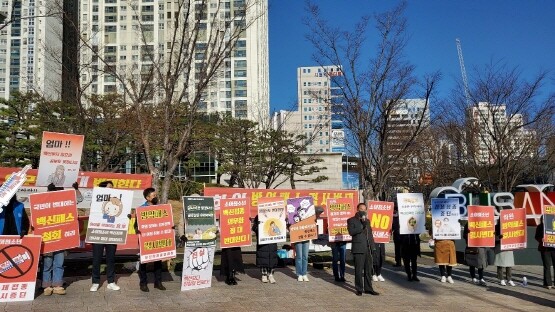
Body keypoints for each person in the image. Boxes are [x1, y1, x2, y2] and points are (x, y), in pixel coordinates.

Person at [90, 180, 120, 292]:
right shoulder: (96, 201)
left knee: (111, 259)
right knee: (97, 259)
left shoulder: (117, 202)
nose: (111, 190)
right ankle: (95, 282)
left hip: (112, 234)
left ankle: (111, 281)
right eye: (109, 188)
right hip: (98, 234)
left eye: (112, 188)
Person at [135, 187, 165, 292]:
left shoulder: (160, 208)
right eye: (153, 196)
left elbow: (164, 222)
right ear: (147, 198)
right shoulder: (141, 209)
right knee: (144, 262)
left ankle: (158, 282)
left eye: (156, 195)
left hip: (157, 238)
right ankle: (143, 283)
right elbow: (136, 225)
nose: (155, 197)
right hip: (145, 239)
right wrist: (137, 230)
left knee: (158, 261)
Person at [41, 184, 68, 296]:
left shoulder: (64, 204)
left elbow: (78, 200)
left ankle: (57, 284)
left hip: (60, 239)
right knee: (47, 263)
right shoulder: (42, 203)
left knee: (59, 263)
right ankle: (47, 285)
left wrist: (76, 189)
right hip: (47, 239)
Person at [347, 203, 379, 296]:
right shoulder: (351, 220)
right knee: (358, 269)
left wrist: (373, 247)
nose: (363, 211)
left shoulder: (367, 221)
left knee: (368, 270)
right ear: (357, 209)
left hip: (368, 248)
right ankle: (359, 289)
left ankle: (368, 288)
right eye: (361, 209)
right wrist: (362, 226)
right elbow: (351, 232)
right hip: (358, 248)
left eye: (365, 209)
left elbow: (370, 235)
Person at [252, 215, 278, 284]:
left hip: (272, 241)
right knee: (263, 257)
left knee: (272, 257)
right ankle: (264, 274)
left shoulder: (275, 215)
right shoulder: (259, 216)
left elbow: (279, 229)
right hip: (263, 242)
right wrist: (259, 225)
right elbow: (254, 228)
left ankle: (271, 274)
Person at [535, 216, 555, 289]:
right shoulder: (540, 227)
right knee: (547, 266)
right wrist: (541, 239)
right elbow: (536, 236)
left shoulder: (553, 225)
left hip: (553, 248)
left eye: (545, 219)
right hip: (544, 249)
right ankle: (547, 283)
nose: (544, 220)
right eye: (543, 219)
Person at [494, 220, 515, 286]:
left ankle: (509, 279)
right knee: (500, 264)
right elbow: (492, 238)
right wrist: (499, 237)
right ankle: (501, 279)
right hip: (500, 247)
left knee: (509, 264)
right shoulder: (496, 227)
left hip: (508, 246)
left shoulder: (511, 226)